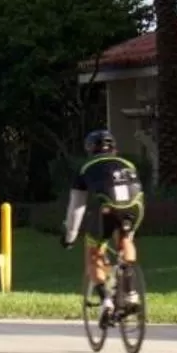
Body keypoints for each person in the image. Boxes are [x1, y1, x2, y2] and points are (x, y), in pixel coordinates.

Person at [62, 129, 144, 318]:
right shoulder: (128, 163)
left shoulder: (85, 168)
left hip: (109, 208)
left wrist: (70, 237)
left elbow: (77, 207)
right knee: (125, 239)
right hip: (135, 206)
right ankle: (131, 292)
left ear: (90, 150)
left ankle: (106, 300)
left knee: (94, 251)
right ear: (114, 148)